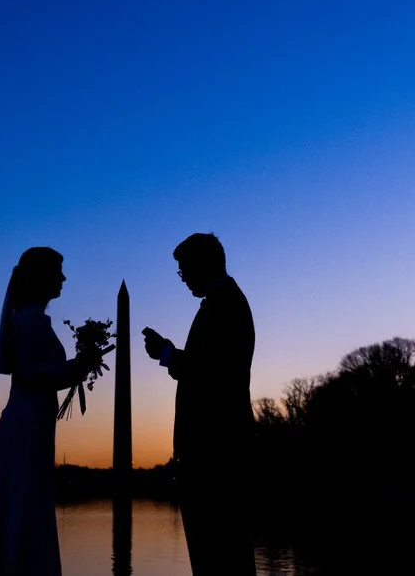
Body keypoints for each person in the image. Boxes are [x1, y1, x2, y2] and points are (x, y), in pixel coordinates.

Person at [0, 247, 102, 576]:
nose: (63, 278)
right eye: (57, 271)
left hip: (31, 419)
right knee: (26, 503)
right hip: (28, 421)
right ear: (41, 276)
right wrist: (79, 366)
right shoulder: (31, 320)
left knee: (26, 501)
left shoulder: (31, 318)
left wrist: (76, 366)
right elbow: (33, 375)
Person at [142, 233, 256, 576]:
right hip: (215, 446)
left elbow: (209, 370)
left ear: (204, 263)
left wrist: (166, 353)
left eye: (185, 269)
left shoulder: (225, 305)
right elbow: (204, 366)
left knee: (219, 551)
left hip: (216, 446)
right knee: (219, 551)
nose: (184, 278)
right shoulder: (222, 302)